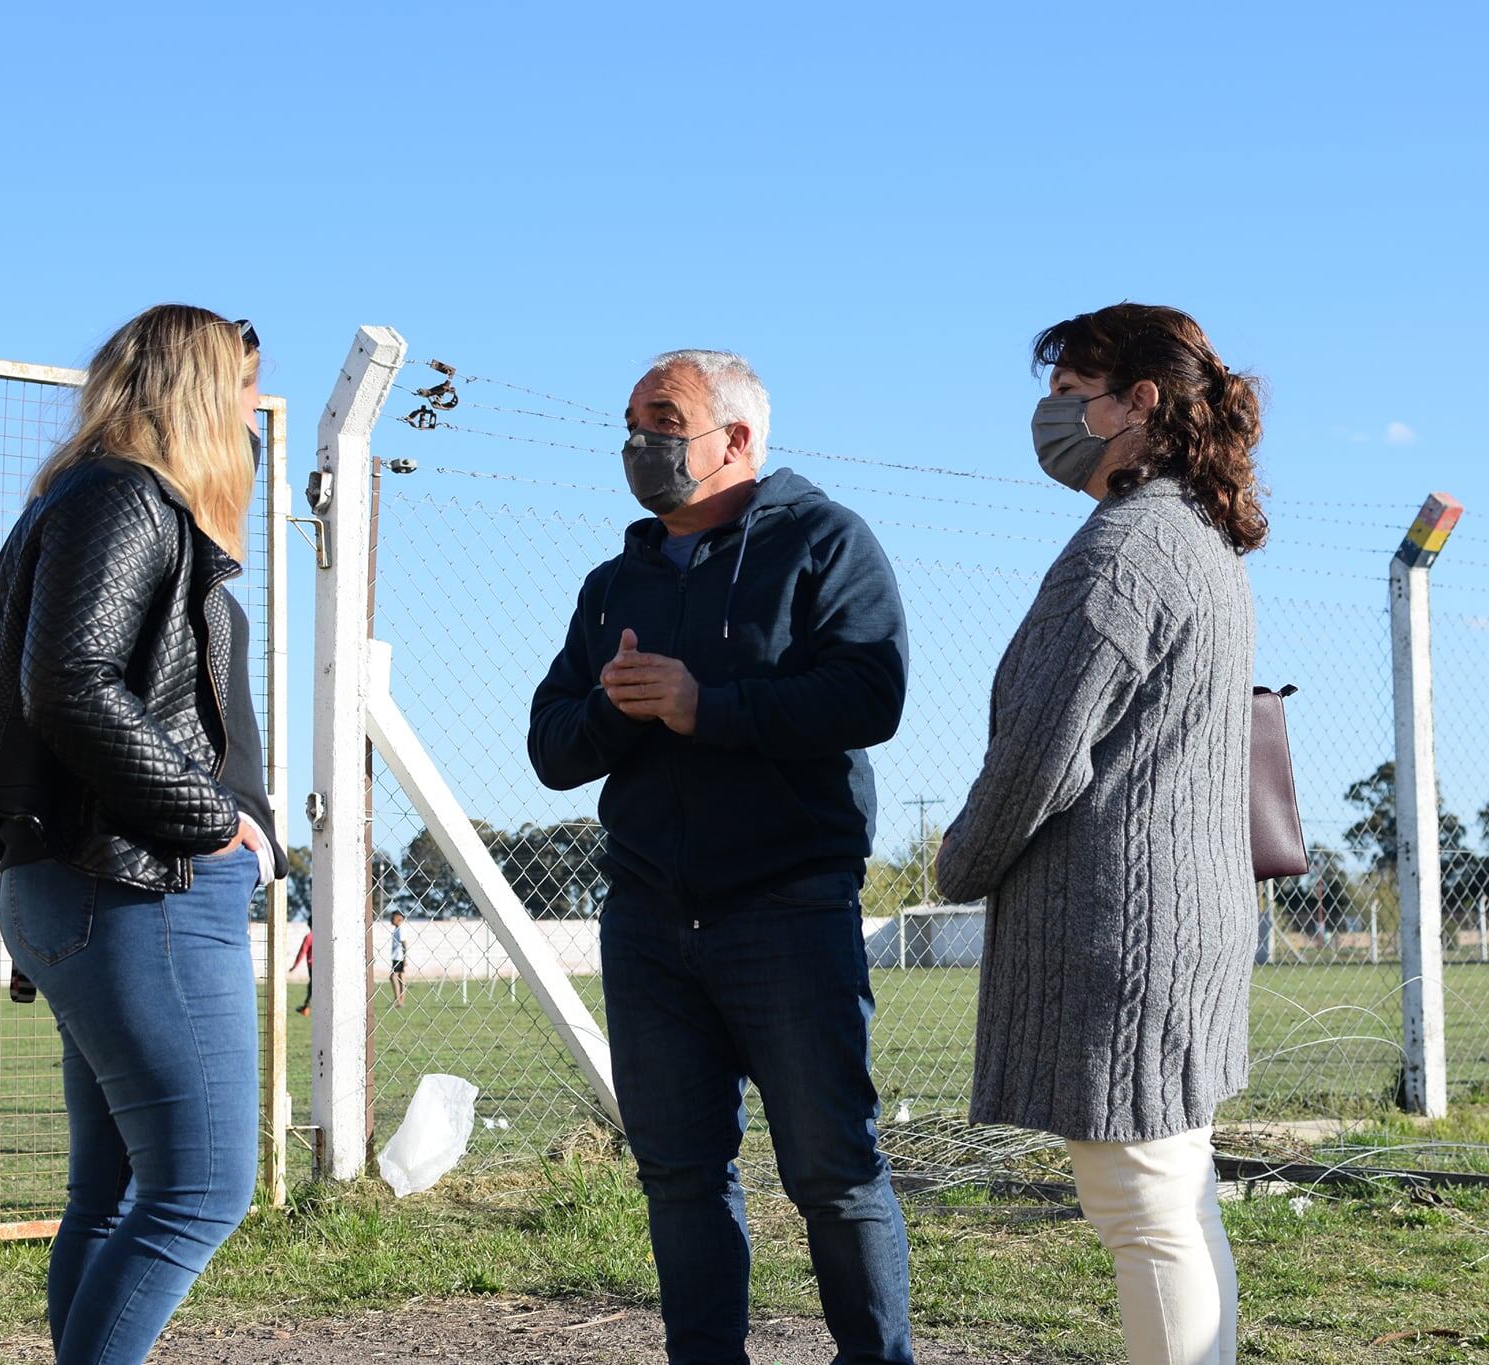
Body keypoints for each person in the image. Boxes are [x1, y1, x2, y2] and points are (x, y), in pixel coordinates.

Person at [529, 350, 915, 1365]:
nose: (635, 444)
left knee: (832, 1167)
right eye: (628, 422)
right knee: (679, 1174)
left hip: (788, 908)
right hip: (649, 921)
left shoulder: (825, 543)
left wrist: (710, 709)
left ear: (735, 437)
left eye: (661, 420)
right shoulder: (616, 579)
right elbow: (548, 746)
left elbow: (869, 696)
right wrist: (618, 715)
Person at [0, 304, 283, 1365]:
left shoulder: (102, 501)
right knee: (201, 1190)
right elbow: (71, 685)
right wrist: (214, 822)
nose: (249, 414)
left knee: (112, 1193)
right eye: (238, 387)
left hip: (100, 884)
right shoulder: (123, 496)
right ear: (192, 392)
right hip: (136, 886)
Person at [936, 304, 1266, 1365]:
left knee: (1143, 1213)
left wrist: (960, 863)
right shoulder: (1195, 536)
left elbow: (1039, 751)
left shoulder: (1122, 551)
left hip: (1126, 928)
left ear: (1140, 404)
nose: (1049, 416)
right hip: (1183, 918)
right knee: (1170, 1203)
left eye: (1070, 391)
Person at [387, 910, 407, 1007]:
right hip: (396, 957)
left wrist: (405, 958)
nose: (391, 919)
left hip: (399, 958)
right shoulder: (396, 929)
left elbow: (404, 943)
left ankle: (398, 1000)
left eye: (393, 917)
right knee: (401, 978)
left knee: (393, 977)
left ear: (399, 918)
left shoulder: (400, 929)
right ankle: (400, 1001)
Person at [291, 926, 313, 1015]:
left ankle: (306, 1008)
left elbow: (302, 951)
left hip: (313, 965)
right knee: (312, 986)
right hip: (322, 964)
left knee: (312, 987)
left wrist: (295, 965)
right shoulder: (323, 935)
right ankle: (306, 1007)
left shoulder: (309, 937)